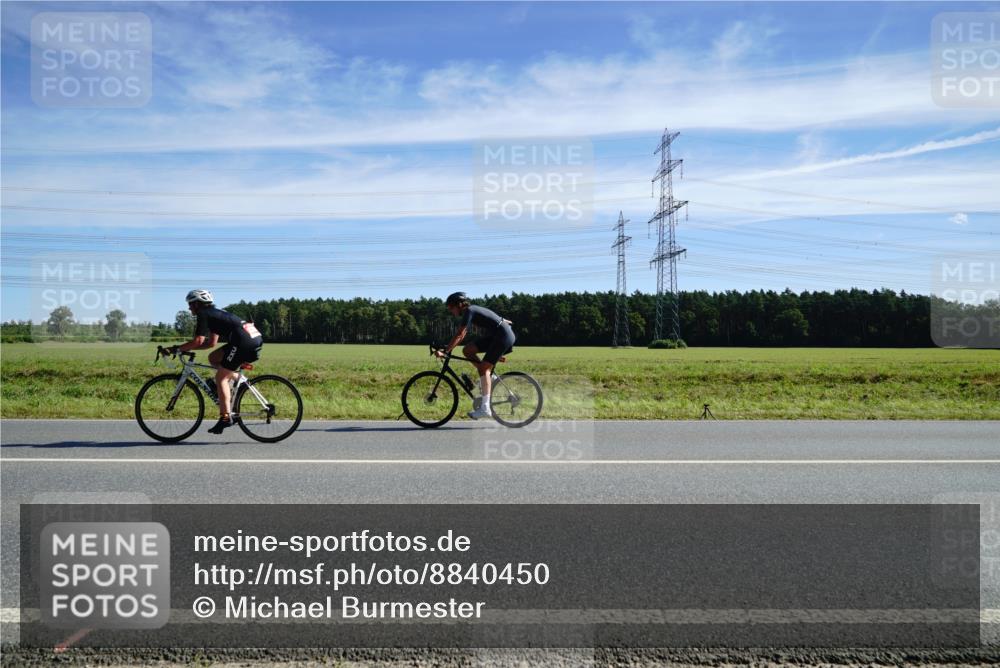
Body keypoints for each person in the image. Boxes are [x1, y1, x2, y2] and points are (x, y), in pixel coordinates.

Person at [167, 290, 263, 434]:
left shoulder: (203, 314)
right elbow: (211, 343)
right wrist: (186, 349)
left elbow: (198, 340)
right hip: (249, 338)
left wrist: (177, 349)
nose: (189, 308)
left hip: (244, 341)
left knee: (220, 378)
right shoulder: (213, 314)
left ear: (197, 304)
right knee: (213, 358)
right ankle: (239, 381)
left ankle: (225, 417)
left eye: (190, 304)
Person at [437, 292, 515, 420]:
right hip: (499, 336)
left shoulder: (469, 311)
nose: (450, 310)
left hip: (503, 337)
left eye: (451, 307)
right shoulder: (472, 310)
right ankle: (491, 377)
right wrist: (494, 353)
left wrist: (446, 351)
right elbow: (501, 320)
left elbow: (460, 334)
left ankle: (485, 408)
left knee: (482, 369)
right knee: (468, 350)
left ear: (459, 304)